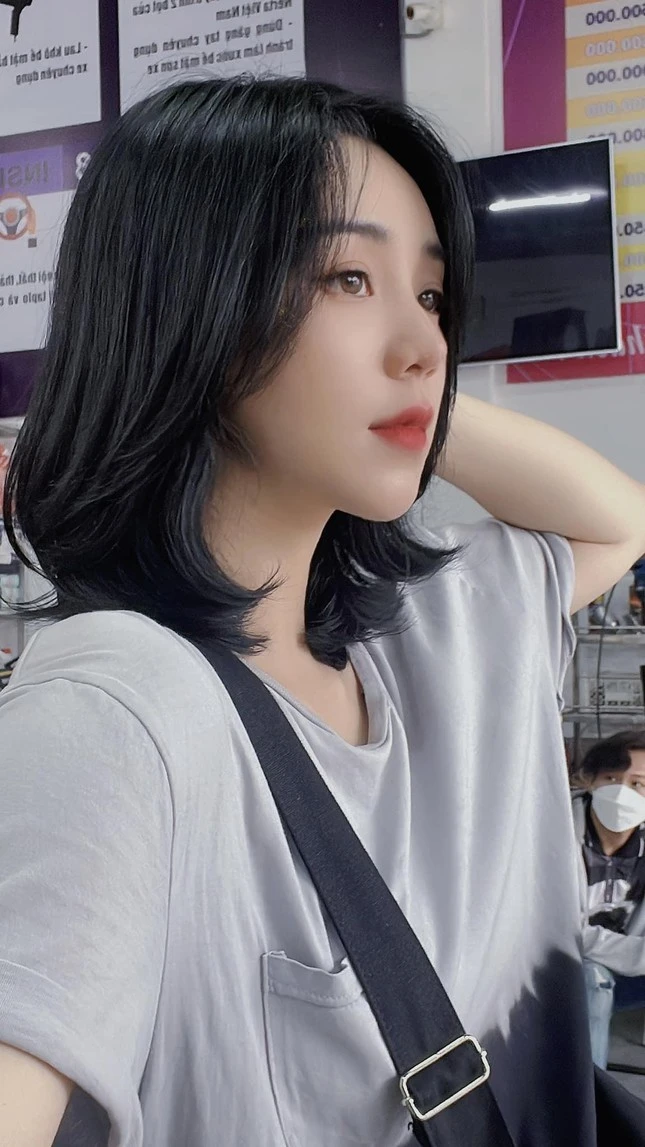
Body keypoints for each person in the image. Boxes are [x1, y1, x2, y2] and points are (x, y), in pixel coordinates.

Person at [0, 77, 644, 1147]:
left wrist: (400, 397)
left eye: (431, 295)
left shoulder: (433, 631)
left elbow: (616, 522)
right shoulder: (118, 710)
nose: (427, 344)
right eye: (347, 276)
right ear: (192, 306)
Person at [575, 730, 645, 1068]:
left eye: (638, 784)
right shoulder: (552, 833)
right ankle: (591, 1092)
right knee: (594, 982)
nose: (622, 793)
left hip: (632, 964)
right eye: (612, 778)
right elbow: (551, 934)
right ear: (590, 781)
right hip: (564, 966)